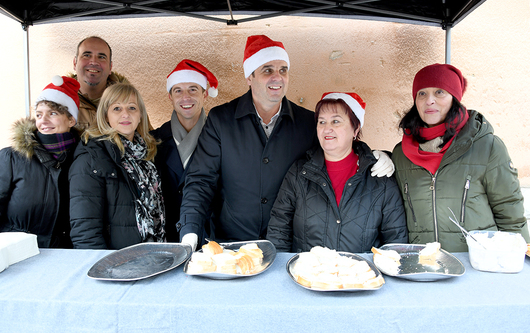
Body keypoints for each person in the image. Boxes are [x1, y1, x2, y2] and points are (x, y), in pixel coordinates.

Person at [178, 35, 395, 250]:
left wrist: (376, 155)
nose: (277, 77)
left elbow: (340, 149)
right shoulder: (221, 120)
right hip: (232, 244)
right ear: (249, 77)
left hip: (286, 247)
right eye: (267, 70)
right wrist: (190, 229)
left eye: (283, 70)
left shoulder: (307, 123)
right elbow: (200, 181)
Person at [391, 63, 529, 252]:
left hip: (478, 264)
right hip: (424, 265)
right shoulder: (401, 154)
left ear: (454, 98)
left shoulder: (487, 146)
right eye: (422, 93)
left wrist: (519, 262)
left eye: (439, 92)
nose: (429, 100)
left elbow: (509, 212)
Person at [267, 92, 408, 253]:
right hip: (307, 275)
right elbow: (279, 229)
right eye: (322, 122)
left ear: (355, 129)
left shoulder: (379, 177)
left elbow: (396, 240)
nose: (327, 129)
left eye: (336, 121)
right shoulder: (299, 172)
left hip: (360, 275)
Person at [0, 76, 81, 248]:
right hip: (14, 255)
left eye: (52, 113)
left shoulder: (82, 160)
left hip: (62, 256)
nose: (43, 121)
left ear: (71, 120)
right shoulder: (12, 158)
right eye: (39, 114)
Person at [69, 83, 165, 249]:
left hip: (155, 256)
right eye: (117, 109)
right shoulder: (91, 158)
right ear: (106, 115)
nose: (125, 114)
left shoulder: (148, 155)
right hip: (118, 264)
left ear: (141, 114)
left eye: (132, 108)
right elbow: (85, 231)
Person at [151, 59, 218, 243]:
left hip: (211, 236)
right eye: (178, 90)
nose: (185, 97)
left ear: (205, 95)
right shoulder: (154, 140)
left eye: (193, 89)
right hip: (169, 236)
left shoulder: (220, 137)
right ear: (170, 97)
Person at [70, 36, 129, 129]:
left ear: (110, 67)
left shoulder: (129, 99)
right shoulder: (57, 100)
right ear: (74, 63)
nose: (94, 62)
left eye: (101, 57)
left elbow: (148, 139)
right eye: (87, 55)